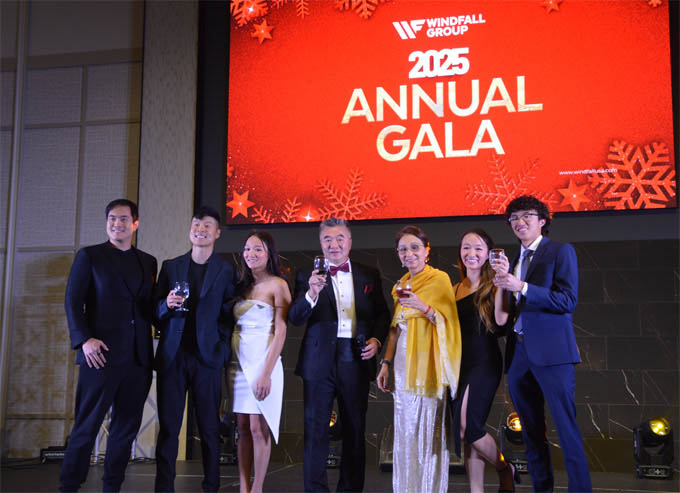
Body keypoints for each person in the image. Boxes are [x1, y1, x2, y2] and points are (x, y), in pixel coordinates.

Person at [493, 195, 592, 493]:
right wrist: (503, 284)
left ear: (542, 220)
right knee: (530, 431)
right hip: (519, 353)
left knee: (566, 428)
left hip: (554, 354)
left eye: (527, 216)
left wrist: (521, 286)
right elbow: (509, 311)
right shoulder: (513, 260)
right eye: (514, 218)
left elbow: (567, 300)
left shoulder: (560, 251)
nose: (520, 222)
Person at [60, 199, 157, 492]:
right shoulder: (90, 256)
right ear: (106, 223)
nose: (117, 223)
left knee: (125, 430)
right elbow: (73, 301)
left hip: (138, 359)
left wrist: (167, 306)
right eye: (112, 218)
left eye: (124, 218)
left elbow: (147, 307)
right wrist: (84, 340)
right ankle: (69, 486)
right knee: (86, 425)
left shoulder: (148, 261)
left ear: (135, 224)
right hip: (99, 356)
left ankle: (112, 487)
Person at [288, 217, 390, 492]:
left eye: (339, 238)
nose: (334, 244)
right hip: (318, 361)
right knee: (315, 430)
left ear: (350, 242)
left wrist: (376, 341)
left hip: (355, 359)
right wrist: (311, 293)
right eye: (327, 239)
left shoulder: (369, 274)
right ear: (320, 244)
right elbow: (295, 317)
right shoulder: (305, 274)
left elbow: (383, 315)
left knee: (355, 430)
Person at [153, 206, 235, 493]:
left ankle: (211, 486)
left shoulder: (226, 270)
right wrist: (166, 305)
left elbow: (229, 314)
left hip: (207, 359)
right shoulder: (171, 266)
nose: (201, 230)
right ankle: (164, 488)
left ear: (217, 233)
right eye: (196, 225)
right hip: (173, 357)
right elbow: (154, 311)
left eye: (207, 225)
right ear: (190, 230)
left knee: (210, 429)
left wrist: (221, 349)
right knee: (169, 429)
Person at [376, 225, 461, 493]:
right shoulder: (399, 286)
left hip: (428, 364)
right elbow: (395, 328)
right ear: (398, 255)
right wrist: (385, 363)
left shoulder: (439, 279)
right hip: (402, 366)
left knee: (427, 430)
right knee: (406, 430)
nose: (409, 253)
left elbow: (449, 322)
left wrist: (423, 307)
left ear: (427, 251)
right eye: (403, 249)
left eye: (414, 247)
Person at [450, 229, 520, 493]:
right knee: (468, 433)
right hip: (458, 365)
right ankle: (476, 490)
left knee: (468, 426)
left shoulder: (494, 285)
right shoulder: (454, 289)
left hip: (484, 361)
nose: (471, 253)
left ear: (489, 254)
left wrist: (501, 282)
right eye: (466, 247)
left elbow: (501, 321)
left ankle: (504, 467)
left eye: (478, 248)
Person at [229, 231, 290, 493]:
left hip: (266, 361)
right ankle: (244, 487)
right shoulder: (240, 285)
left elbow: (281, 330)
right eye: (247, 249)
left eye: (258, 249)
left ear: (269, 254)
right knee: (242, 426)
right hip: (239, 362)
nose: (251, 254)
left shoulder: (278, 284)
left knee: (257, 426)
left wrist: (266, 373)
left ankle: (258, 487)